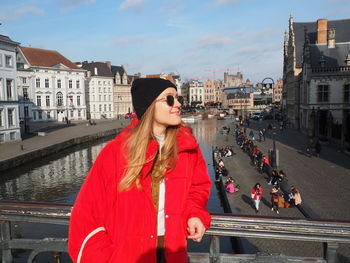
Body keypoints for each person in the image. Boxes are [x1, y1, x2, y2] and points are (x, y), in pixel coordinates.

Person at [68, 78, 211, 263]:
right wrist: (108, 257)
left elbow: (198, 188)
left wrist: (194, 214)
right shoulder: (117, 152)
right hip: (129, 255)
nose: (178, 104)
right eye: (169, 99)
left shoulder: (186, 146)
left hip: (172, 250)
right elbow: (86, 214)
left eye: (178, 99)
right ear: (149, 106)